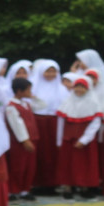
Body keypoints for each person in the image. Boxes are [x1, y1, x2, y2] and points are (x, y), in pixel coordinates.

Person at [56, 74, 102, 200]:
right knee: (67, 163)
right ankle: (68, 187)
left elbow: (95, 123)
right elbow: (61, 123)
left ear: (88, 89)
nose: (79, 90)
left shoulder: (93, 102)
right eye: (77, 87)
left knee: (85, 164)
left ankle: (84, 187)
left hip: (85, 141)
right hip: (68, 138)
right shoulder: (67, 102)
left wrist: (85, 139)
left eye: (82, 87)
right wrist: (59, 141)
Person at [28, 59, 68, 194]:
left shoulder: (62, 90)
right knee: (38, 153)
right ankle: (36, 183)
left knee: (53, 154)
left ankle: (52, 184)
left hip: (55, 124)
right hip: (37, 123)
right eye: (47, 71)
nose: (51, 74)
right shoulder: (33, 87)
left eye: (53, 71)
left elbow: (65, 107)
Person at [5, 77, 45, 201]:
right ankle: (12, 190)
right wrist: (24, 140)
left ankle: (24, 189)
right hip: (20, 142)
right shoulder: (11, 106)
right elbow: (17, 125)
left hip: (32, 138)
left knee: (29, 166)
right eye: (28, 90)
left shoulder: (26, 104)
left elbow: (43, 105)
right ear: (19, 91)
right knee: (18, 166)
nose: (30, 92)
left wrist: (33, 97)